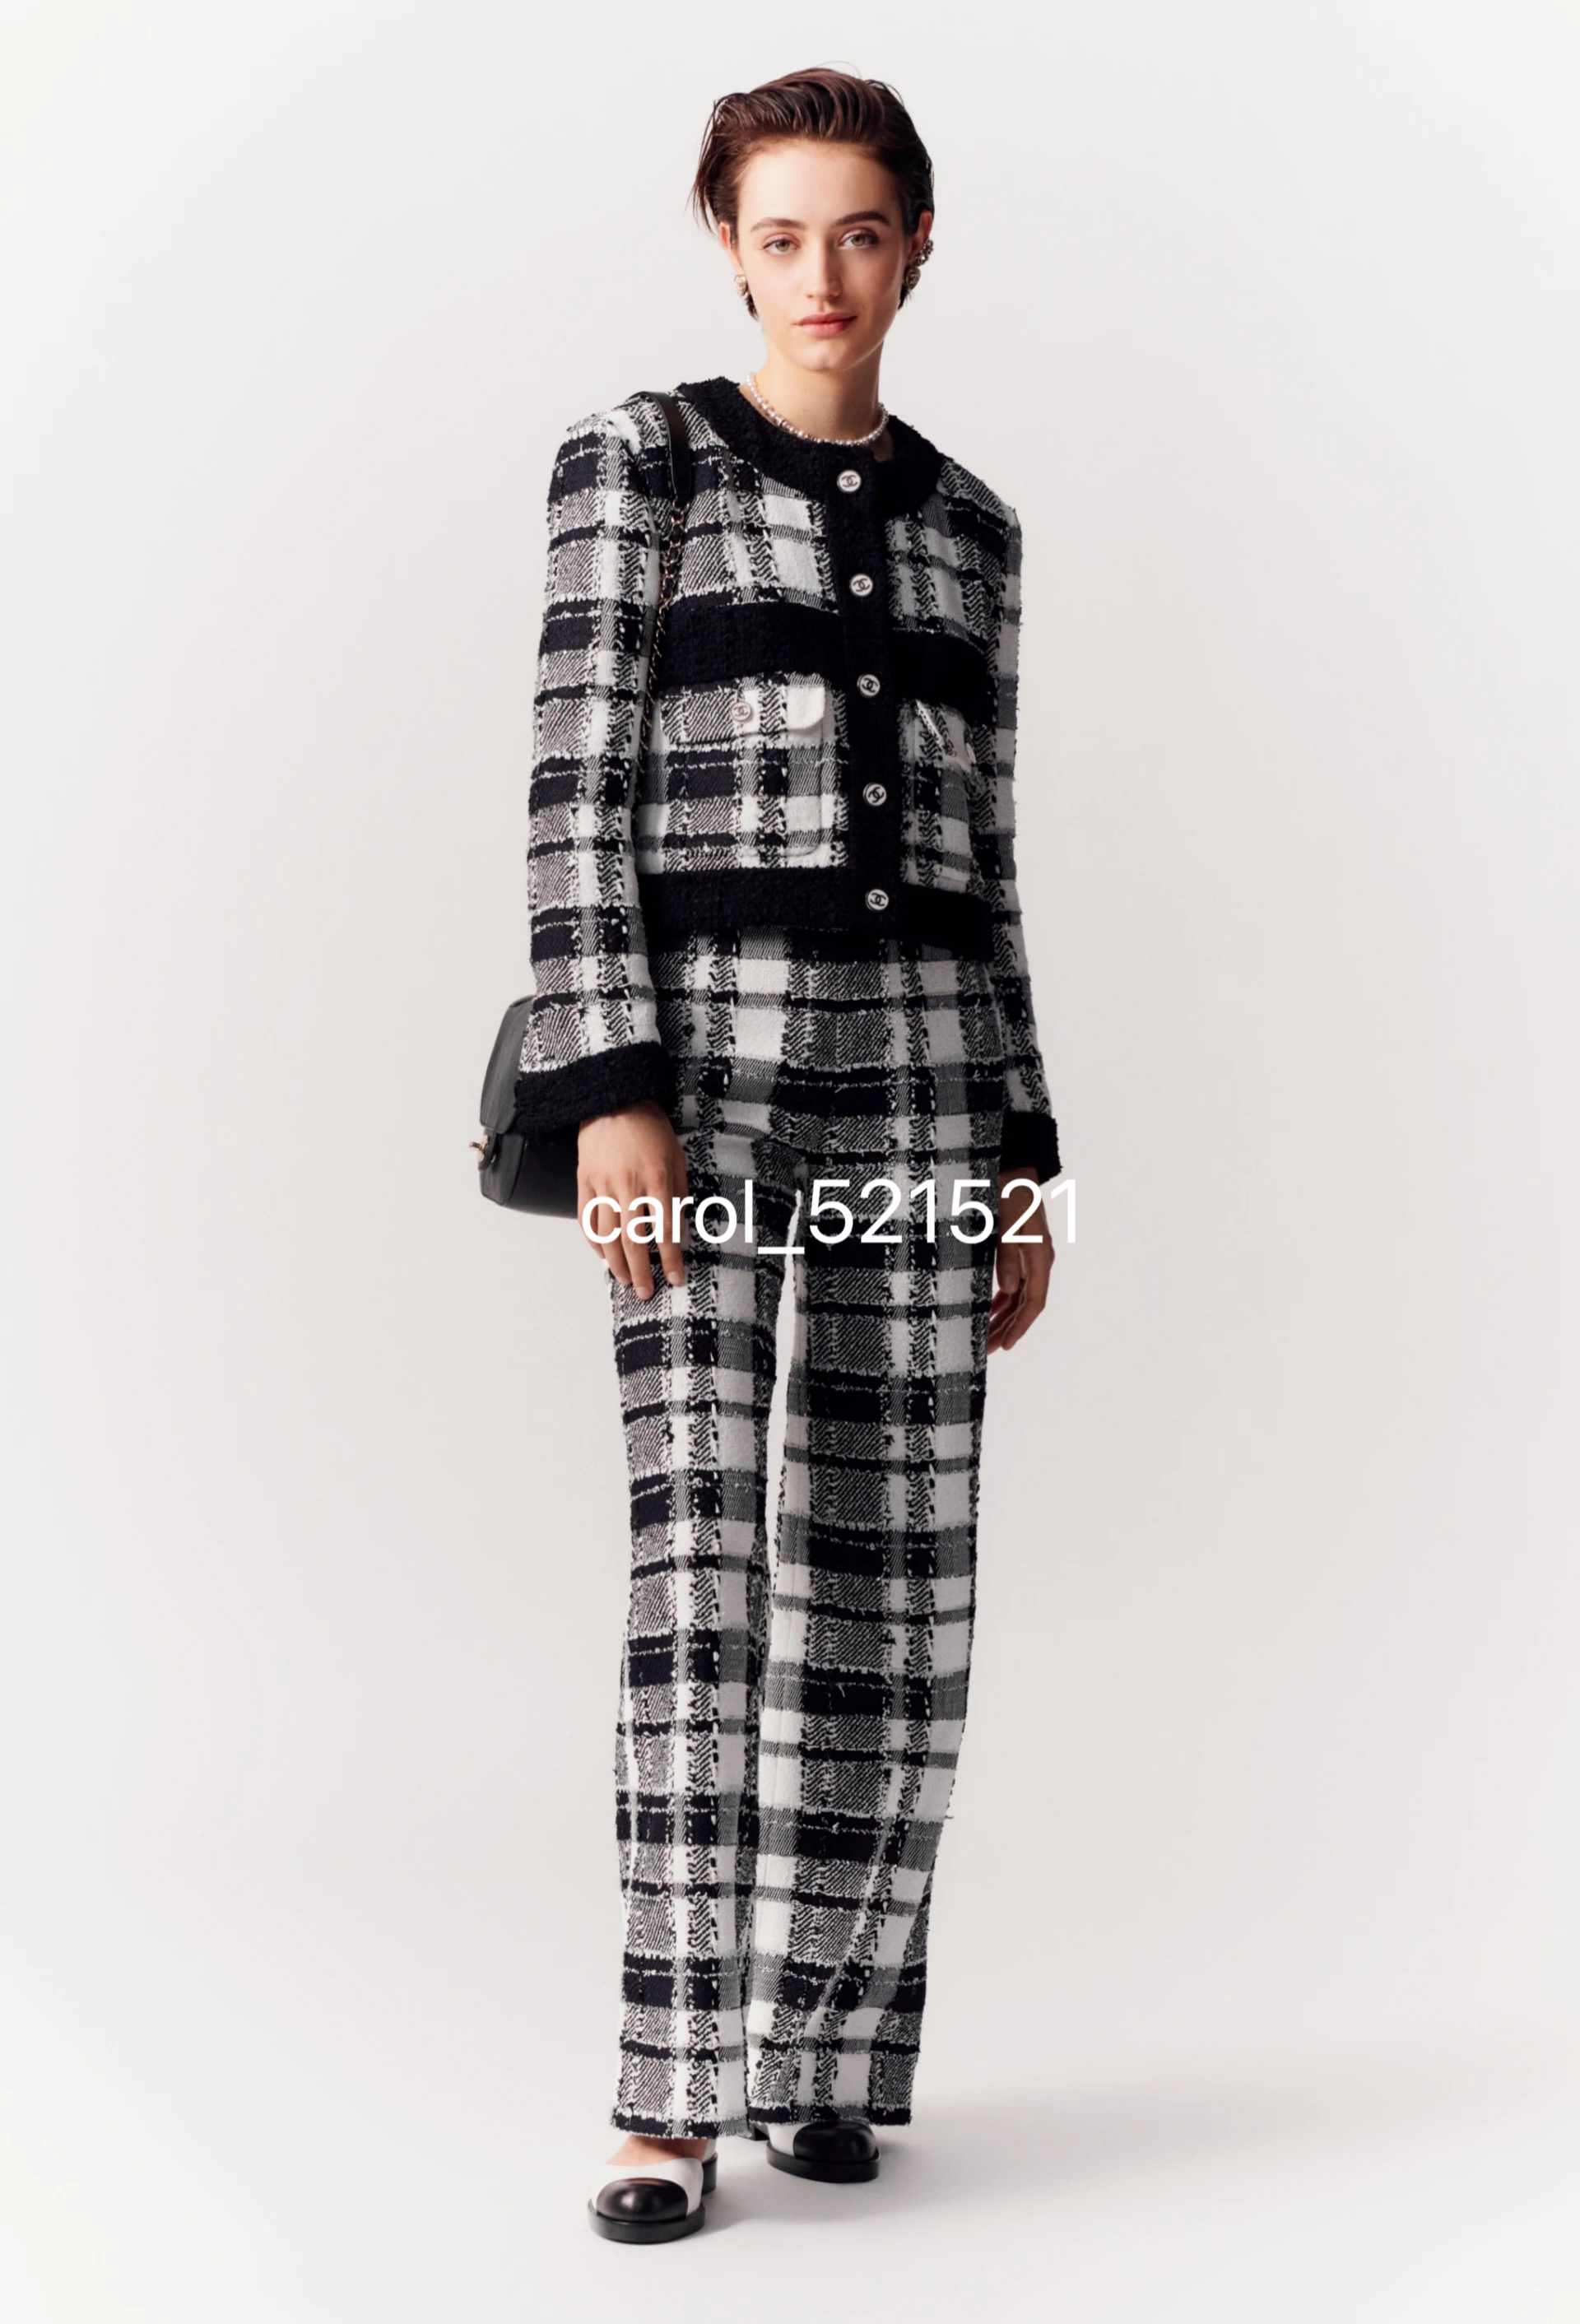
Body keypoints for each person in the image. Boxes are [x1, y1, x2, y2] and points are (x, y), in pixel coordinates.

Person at [514, 66, 1062, 2243]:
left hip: (924, 1089)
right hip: (703, 1092)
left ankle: (825, 2068)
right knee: (704, 1589)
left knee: (894, 1598)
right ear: (726, 248)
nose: (820, 275)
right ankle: (668, 2097)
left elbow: (986, 866)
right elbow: (573, 796)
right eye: (778, 234)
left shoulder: (974, 528)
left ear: (917, 244)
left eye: (857, 232)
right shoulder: (637, 464)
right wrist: (609, 1085)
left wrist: (1023, 1148)